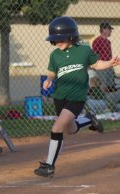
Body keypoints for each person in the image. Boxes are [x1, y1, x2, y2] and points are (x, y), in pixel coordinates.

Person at [34, 16, 120, 177]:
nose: (57, 42)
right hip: (59, 96)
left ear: (72, 36)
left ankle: (49, 165)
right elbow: (52, 71)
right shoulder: (55, 55)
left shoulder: (84, 50)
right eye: (54, 39)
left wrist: (109, 63)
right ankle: (89, 119)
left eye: (60, 38)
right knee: (70, 129)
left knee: (57, 127)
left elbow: (96, 64)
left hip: (77, 97)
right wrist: (49, 80)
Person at [92, 22, 116, 92]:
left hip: (109, 66)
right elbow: (95, 55)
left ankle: (109, 101)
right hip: (102, 66)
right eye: (109, 29)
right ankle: (102, 100)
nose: (111, 31)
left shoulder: (108, 42)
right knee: (103, 85)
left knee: (110, 86)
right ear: (104, 29)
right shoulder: (97, 41)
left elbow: (109, 56)